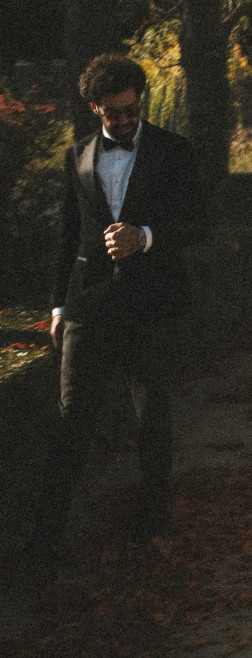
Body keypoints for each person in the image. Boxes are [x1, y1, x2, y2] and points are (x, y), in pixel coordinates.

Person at [26, 53, 204, 563]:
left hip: (151, 304)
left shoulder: (174, 151)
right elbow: (68, 235)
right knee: (70, 420)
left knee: (152, 417)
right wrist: (58, 305)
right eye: (113, 113)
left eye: (131, 110)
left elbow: (197, 224)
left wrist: (144, 237)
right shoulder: (76, 156)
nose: (125, 120)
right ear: (93, 107)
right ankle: (44, 540)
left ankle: (151, 523)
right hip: (87, 305)